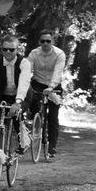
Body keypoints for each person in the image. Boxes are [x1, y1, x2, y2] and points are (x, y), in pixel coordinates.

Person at [0, 34, 32, 153]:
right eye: (4, 49)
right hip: (2, 94)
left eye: (11, 49)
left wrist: (18, 102)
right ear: (1, 49)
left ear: (17, 49)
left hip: (21, 95)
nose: (8, 52)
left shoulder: (24, 63)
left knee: (16, 116)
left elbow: (23, 83)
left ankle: (23, 141)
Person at [27, 30, 65, 158]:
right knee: (34, 106)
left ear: (52, 41)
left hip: (54, 86)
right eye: (42, 41)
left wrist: (51, 86)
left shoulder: (59, 54)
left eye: (48, 41)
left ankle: (52, 146)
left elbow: (58, 72)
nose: (45, 43)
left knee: (53, 117)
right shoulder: (34, 53)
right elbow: (27, 69)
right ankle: (36, 122)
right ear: (39, 42)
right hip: (38, 83)